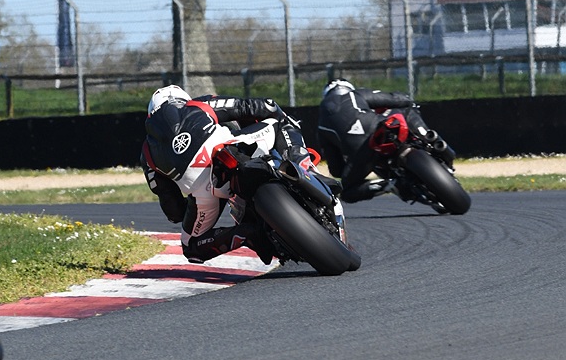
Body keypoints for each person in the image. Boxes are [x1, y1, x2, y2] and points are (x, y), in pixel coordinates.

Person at [140, 84, 313, 264]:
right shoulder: (197, 104)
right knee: (281, 121)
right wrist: (269, 110)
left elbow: (173, 211)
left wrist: (192, 206)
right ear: (183, 99)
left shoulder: (147, 153)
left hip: (203, 190)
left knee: (191, 246)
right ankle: (302, 168)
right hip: (230, 148)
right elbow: (255, 106)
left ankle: (246, 233)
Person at [318, 79, 455, 203]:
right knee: (405, 109)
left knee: (347, 192)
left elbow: (336, 170)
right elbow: (395, 99)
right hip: (377, 127)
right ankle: (431, 139)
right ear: (348, 88)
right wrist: (410, 102)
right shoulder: (355, 94)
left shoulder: (321, 124)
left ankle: (389, 185)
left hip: (360, 153)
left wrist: (350, 162)